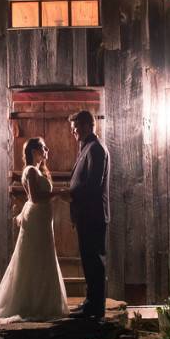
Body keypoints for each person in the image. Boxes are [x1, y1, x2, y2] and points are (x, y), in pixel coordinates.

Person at [0, 137, 69, 339]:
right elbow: (35, 198)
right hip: (37, 219)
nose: (47, 149)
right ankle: (30, 303)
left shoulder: (39, 170)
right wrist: (59, 193)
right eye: (43, 147)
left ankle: (42, 301)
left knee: (43, 258)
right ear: (34, 150)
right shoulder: (31, 171)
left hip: (42, 220)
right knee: (33, 259)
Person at [65, 110, 110, 319]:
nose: (74, 133)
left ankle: (96, 308)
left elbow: (93, 184)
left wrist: (70, 193)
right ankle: (90, 302)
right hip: (86, 215)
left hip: (93, 215)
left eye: (75, 129)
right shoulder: (87, 147)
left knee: (95, 261)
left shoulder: (96, 149)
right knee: (88, 260)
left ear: (86, 126)